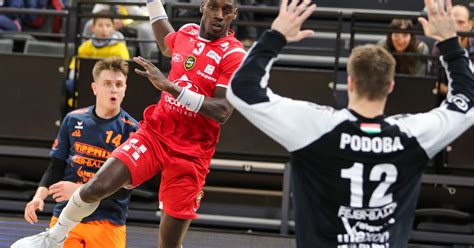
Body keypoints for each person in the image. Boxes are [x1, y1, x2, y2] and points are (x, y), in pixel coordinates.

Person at [227, 0, 473, 247]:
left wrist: (276, 35)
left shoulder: (316, 126)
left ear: (351, 83)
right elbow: (467, 102)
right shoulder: (414, 134)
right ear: (390, 86)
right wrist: (450, 42)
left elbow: (242, 90)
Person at [11, 0, 246, 246]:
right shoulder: (186, 33)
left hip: (192, 152)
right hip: (156, 134)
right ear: (203, 7)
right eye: (214, 7)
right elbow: (166, 42)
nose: (219, 15)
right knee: (96, 186)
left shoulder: (233, 53)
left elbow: (221, 111)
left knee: (169, 244)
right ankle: (53, 239)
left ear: (234, 14)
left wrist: (170, 87)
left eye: (227, 10)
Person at [11, 57, 138, 248]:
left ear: (125, 89)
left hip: (108, 221)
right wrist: (38, 197)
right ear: (95, 88)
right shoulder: (73, 119)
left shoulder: (132, 130)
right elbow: (56, 165)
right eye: (107, 84)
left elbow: (123, 189)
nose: (114, 89)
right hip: (66, 218)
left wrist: (79, 191)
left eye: (119, 84)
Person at [82, 4, 159, 58]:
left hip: (136, 20)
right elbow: (96, 11)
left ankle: (150, 60)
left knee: (144, 30)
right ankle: (85, 50)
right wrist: (111, 18)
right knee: (90, 24)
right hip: (113, 20)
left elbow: (147, 14)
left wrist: (125, 19)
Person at [431, 4, 474, 96]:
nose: (456, 27)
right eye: (452, 22)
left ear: (471, 24)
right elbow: (436, 82)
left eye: (461, 22)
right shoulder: (439, 47)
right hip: (448, 100)